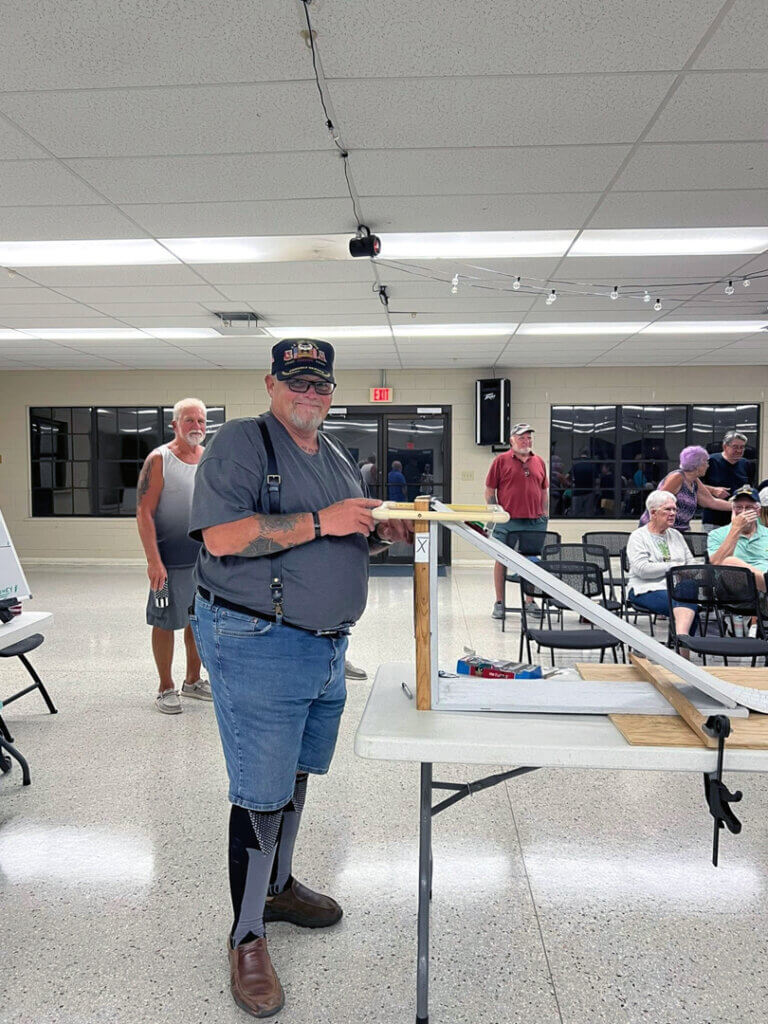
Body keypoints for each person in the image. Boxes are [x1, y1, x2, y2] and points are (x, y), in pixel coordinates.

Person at [188, 339, 411, 1018]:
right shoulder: (242, 443)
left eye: (320, 385)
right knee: (260, 790)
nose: (310, 395)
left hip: (323, 649)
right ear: (272, 383)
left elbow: (342, 531)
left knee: (294, 776)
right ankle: (246, 937)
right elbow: (222, 538)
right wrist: (325, 520)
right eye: (298, 382)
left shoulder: (335, 452)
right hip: (257, 640)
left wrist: (379, 534)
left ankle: (278, 887)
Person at [136, 398, 211, 714]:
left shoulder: (208, 459)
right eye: (190, 420)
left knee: (198, 620)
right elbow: (144, 512)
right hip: (169, 563)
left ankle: (192, 680)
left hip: (205, 561)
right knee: (166, 622)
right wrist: (154, 561)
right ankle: (165, 686)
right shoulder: (159, 459)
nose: (197, 427)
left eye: (202, 421)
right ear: (175, 424)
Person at [485, 423, 548, 619]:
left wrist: (545, 514)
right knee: (501, 560)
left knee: (531, 562)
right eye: (522, 438)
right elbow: (489, 491)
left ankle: (530, 602)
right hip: (507, 521)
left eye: (529, 438)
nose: (526, 441)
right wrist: (496, 511)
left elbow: (544, 490)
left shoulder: (539, 461)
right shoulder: (501, 461)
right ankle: (500, 603)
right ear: (512, 440)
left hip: (534, 521)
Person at [626, 490, 699, 646]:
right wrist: (674, 567)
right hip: (645, 589)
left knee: (688, 595)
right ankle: (682, 650)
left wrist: (685, 570)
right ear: (653, 513)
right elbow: (642, 569)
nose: (673, 513)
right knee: (688, 607)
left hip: (677, 587)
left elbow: (691, 563)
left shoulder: (676, 535)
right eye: (668, 509)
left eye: (674, 509)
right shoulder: (638, 537)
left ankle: (680, 643)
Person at [638, 445, 730, 532]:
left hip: (680, 531)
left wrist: (736, 507)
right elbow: (658, 503)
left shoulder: (694, 481)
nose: (708, 465)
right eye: (706, 462)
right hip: (660, 531)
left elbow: (711, 502)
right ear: (697, 465)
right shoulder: (677, 477)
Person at [707, 485, 768, 591]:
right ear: (732, 510)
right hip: (734, 589)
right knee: (729, 562)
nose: (743, 512)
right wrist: (736, 529)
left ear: (758, 511)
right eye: (739, 507)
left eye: (749, 507)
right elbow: (715, 563)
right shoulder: (716, 534)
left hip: (763, 592)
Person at [701, 431, 753, 532]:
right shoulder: (711, 461)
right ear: (725, 447)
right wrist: (713, 490)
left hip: (739, 520)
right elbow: (694, 485)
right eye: (735, 447)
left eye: (742, 447)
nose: (739, 450)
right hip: (713, 521)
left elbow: (750, 488)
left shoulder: (746, 464)